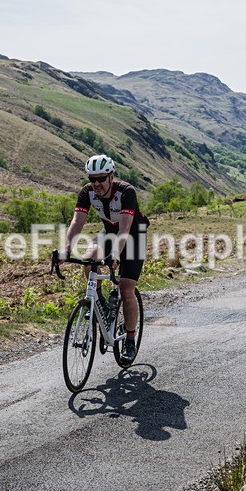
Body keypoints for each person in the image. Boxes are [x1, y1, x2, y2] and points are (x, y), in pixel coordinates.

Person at [63, 154, 149, 364]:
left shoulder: (126, 192)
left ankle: (129, 340)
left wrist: (116, 255)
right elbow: (77, 222)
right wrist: (65, 249)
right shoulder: (87, 192)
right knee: (90, 258)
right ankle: (99, 303)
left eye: (101, 178)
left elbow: (125, 228)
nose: (97, 184)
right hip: (109, 232)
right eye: (93, 179)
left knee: (126, 289)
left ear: (111, 176)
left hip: (133, 236)